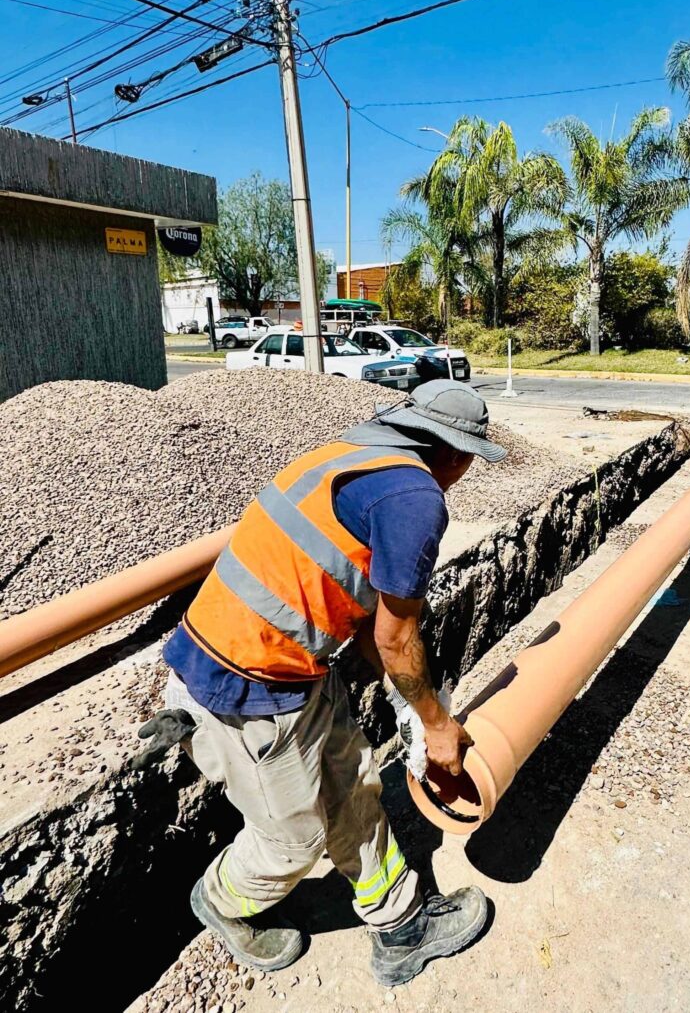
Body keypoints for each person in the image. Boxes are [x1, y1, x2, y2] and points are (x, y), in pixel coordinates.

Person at [153, 380, 507, 987]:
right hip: (244, 687)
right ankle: (221, 900)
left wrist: (407, 702)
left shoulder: (347, 456)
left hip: (291, 667)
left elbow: (368, 618)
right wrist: (437, 725)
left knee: (354, 788)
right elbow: (396, 636)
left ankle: (401, 926)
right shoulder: (415, 498)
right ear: (457, 454)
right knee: (293, 841)